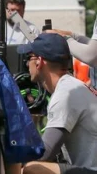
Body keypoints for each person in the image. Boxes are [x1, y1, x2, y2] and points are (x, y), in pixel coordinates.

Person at [20, 33, 97, 174]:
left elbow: (45, 152)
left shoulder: (65, 93)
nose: (26, 63)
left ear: (39, 61)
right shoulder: (71, 85)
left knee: (32, 168)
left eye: (28, 58)